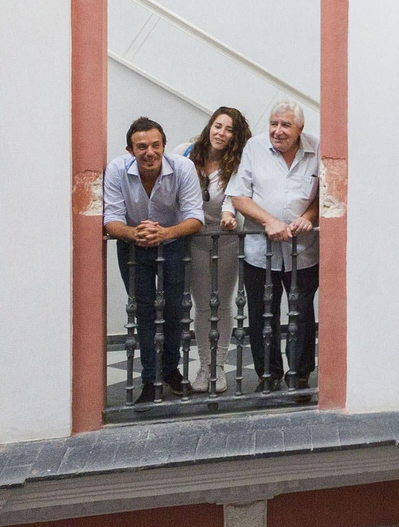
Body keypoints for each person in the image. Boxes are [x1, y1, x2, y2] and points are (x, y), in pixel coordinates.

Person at [102, 116, 204, 402]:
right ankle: (150, 379)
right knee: (143, 312)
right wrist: (135, 234)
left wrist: (164, 233)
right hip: (132, 246)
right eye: (142, 146)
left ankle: (170, 371)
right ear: (130, 150)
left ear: (164, 145)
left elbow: (195, 216)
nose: (150, 152)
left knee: (174, 310)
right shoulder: (116, 170)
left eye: (156, 145)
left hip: (172, 243)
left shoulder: (183, 167)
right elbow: (110, 218)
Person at [226, 101, 319, 393]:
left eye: (285, 125)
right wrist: (269, 221)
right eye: (273, 124)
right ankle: (268, 373)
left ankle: (301, 373)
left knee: (302, 312)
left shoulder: (317, 149)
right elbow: (239, 196)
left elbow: (326, 193)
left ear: (300, 129)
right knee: (261, 313)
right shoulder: (254, 148)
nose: (277, 131)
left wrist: (308, 217)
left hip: (303, 251)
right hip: (259, 251)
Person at [178, 107, 252, 393]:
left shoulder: (238, 163)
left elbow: (233, 197)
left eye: (229, 130)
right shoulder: (185, 153)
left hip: (226, 238)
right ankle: (203, 366)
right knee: (202, 305)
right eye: (218, 126)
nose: (221, 133)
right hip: (194, 238)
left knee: (221, 303)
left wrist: (229, 214)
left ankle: (218, 367)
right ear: (210, 126)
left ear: (236, 136)